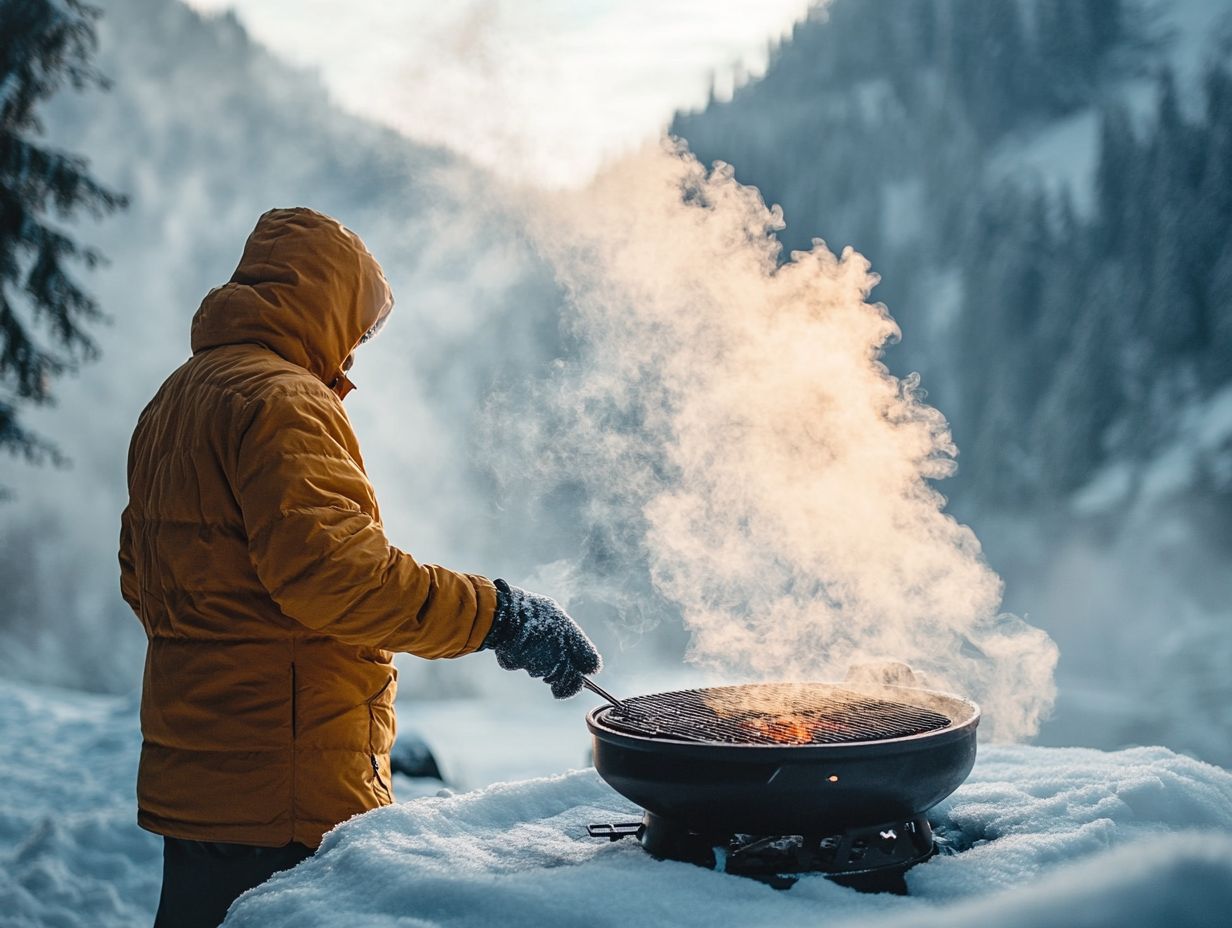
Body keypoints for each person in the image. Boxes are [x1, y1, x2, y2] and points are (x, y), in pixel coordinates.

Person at [118, 207, 602, 928]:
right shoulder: (283, 401)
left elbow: (140, 572)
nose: (355, 350)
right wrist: (500, 615)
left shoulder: (177, 399)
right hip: (283, 790)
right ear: (325, 301)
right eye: (359, 325)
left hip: (199, 779)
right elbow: (340, 579)